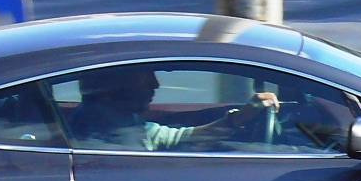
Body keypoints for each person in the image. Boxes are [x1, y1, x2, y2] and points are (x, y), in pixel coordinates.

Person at [66, 68, 280, 152]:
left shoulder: (113, 117)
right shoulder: (114, 133)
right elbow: (190, 140)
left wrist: (239, 118)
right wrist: (238, 120)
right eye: (144, 76)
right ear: (113, 86)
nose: (155, 84)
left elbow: (180, 136)